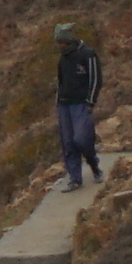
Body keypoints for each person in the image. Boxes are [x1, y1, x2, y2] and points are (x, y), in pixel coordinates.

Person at [54, 20, 104, 193]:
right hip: (64, 105)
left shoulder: (87, 54)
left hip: (81, 103)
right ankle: (75, 178)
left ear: (68, 41)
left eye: (61, 42)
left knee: (81, 139)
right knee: (68, 143)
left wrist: (90, 101)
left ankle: (94, 165)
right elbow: (60, 82)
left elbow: (96, 79)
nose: (59, 46)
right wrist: (58, 103)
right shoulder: (63, 58)